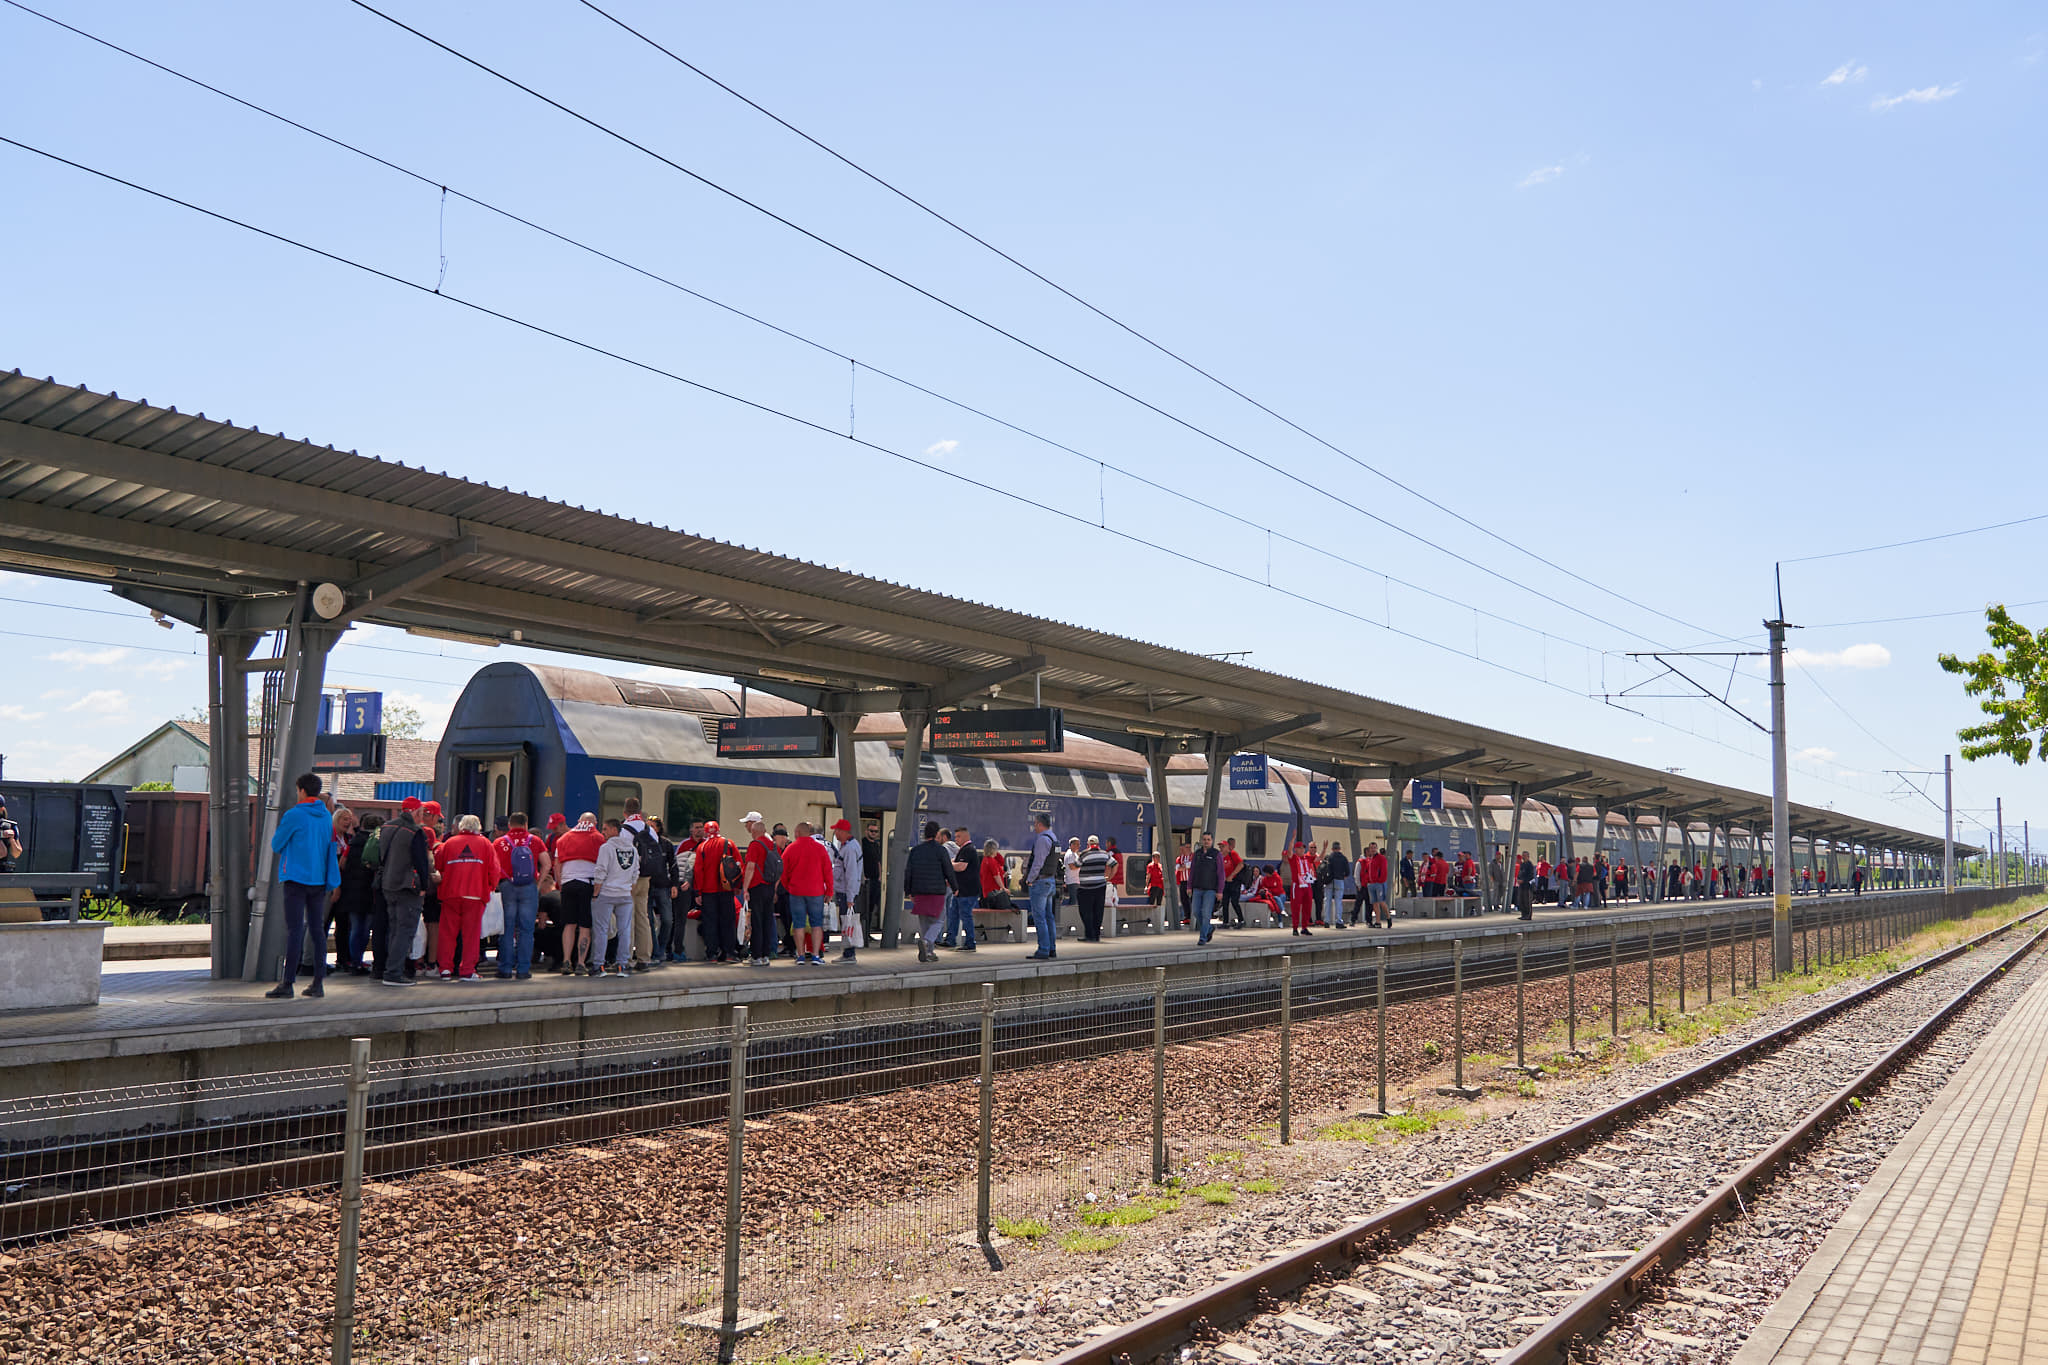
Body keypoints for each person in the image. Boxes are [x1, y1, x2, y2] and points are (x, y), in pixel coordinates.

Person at [265, 773, 341, 1000]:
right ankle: (318, 983)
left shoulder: (294, 815)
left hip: (296, 879)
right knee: (318, 931)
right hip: (319, 880)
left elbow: (277, 844)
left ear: (300, 790)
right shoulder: (327, 817)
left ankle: (287, 983)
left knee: (295, 930)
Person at [433, 815, 503, 983]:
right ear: (478, 827)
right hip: (475, 894)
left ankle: (445, 970)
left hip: (451, 894)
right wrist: (490, 887)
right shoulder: (486, 844)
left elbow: (438, 864)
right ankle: (467, 970)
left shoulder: (449, 843)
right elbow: (494, 870)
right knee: (471, 935)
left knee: (447, 933)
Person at [376, 802, 434, 988]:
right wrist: (424, 885)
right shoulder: (414, 832)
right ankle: (394, 972)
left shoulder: (386, 827)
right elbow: (421, 862)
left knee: (393, 929)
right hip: (407, 886)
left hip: (387, 884)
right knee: (405, 930)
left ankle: (386, 969)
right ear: (417, 812)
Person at [493, 813, 550, 980]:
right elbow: (546, 864)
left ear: (510, 825)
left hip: (507, 887)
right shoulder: (535, 841)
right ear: (525, 824)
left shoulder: (500, 842)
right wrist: (538, 885)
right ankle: (523, 970)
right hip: (529, 887)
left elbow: (493, 867)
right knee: (526, 930)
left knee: (506, 929)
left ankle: (505, 968)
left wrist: (497, 885)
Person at [588, 817, 638, 976]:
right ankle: (623, 965)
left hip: (607, 893)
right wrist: (629, 890)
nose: (603, 832)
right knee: (624, 930)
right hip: (625, 895)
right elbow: (636, 873)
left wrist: (595, 894)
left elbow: (600, 871)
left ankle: (598, 966)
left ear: (615, 830)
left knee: (601, 930)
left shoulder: (606, 848)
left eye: (605, 829)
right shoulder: (632, 849)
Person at [554, 813, 602, 975]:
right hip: (587, 884)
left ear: (579, 822)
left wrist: (561, 885)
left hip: (568, 884)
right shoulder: (598, 838)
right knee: (584, 925)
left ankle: (566, 961)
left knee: (569, 924)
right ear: (594, 823)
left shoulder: (564, 838)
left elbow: (557, 864)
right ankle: (581, 963)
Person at [782, 819, 833, 965]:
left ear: (797, 833)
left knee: (798, 924)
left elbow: (783, 872)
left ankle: (800, 956)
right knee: (816, 924)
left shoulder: (790, 848)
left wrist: (789, 886)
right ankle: (816, 956)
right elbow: (828, 871)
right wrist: (829, 890)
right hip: (816, 892)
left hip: (796, 892)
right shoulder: (820, 849)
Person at [620, 798, 662, 972]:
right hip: (646, 878)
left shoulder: (624, 830)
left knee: (627, 917)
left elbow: (623, 855)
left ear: (625, 812)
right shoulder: (649, 829)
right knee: (643, 916)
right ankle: (644, 958)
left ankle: (627, 959)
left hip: (629, 878)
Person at [694, 818, 742, 965]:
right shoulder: (729, 844)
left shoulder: (702, 847)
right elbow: (739, 865)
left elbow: (698, 871)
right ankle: (729, 953)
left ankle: (712, 953)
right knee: (728, 921)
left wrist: (698, 892)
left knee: (710, 922)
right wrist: (737, 886)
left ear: (706, 832)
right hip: (726, 889)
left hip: (708, 891)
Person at [905, 820, 954, 962]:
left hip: (919, 892)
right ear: (937, 834)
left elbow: (909, 872)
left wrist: (909, 891)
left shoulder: (915, 850)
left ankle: (929, 953)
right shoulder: (941, 850)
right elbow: (948, 871)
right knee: (939, 920)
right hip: (937, 892)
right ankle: (926, 942)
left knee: (924, 922)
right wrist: (955, 887)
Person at [343, 813, 384, 975]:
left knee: (355, 928)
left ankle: (355, 961)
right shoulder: (377, 843)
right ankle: (361, 962)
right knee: (366, 929)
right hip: (369, 891)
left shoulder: (352, 842)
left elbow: (343, 864)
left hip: (352, 891)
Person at [740, 812, 780, 968]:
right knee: (767, 920)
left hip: (757, 887)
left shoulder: (755, 845)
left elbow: (750, 868)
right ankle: (766, 955)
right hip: (770, 887)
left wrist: (745, 888)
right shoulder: (773, 845)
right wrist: (775, 888)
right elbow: (778, 869)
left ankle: (756, 956)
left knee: (756, 921)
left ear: (755, 831)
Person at [1023, 814, 1061, 960]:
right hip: (1050, 881)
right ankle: (1052, 948)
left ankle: (1043, 950)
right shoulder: (1054, 839)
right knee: (1049, 917)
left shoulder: (1042, 840)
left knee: (1039, 917)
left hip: (1040, 882)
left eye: (1035, 824)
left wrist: (1029, 879)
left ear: (1039, 824)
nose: (1034, 827)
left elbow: (1038, 862)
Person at [829, 819, 864, 964]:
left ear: (843, 832)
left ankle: (849, 953)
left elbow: (851, 874)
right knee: (847, 922)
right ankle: (848, 952)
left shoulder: (849, 849)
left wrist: (850, 897)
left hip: (846, 893)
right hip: (846, 891)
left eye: (836, 830)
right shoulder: (849, 846)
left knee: (847, 922)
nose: (835, 833)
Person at [942, 824, 979, 952]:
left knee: (965, 916)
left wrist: (949, 864)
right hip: (960, 890)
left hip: (967, 891)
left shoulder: (968, 850)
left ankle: (970, 943)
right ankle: (950, 940)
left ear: (965, 837)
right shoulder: (963, 850)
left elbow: (961, 867)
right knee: (953, 914)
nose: (955, 839)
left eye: (958, 836)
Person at [1187, 831, 1222, 945]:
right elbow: (1192, 871)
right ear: (1202, 841)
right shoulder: (1197, 854)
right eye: (1204, 839)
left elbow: (1221, 874)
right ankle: (1209, 929)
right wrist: (1189, 886)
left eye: (1208, 840)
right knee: (1196, 912)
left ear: (1212, 841)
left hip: (1210, 889)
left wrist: (1220, 891)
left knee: (1206, 913)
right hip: (1197, 888)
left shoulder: (1216, 854)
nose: (1206, 842)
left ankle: (1203, 938)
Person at [1075, 835, 1112, 941]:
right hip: (1100, 886)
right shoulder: (1104, 854)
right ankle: (1096, 935)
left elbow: (1076, 865)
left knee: (1086, 911)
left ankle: (1089, 935)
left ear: (1088, 844)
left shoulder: (1084, 854)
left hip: (1085, 888)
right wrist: (1108, 878)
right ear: (1098, 844)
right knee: (1098, 911)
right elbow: (1114, 864)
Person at [1287, 841, 1318, 936]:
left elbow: (1318, 858)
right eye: (1300, 848)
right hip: (1297, 885)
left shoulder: (1306, 858)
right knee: (1296, 906)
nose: (1302, 849)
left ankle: (1304, 927)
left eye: (1303, 848)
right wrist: (1292, 839)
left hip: (1307, 884)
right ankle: (1295, 927)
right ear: (1296, 849)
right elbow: (1289, 852)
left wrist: (1324, 849)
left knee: (1307, 906)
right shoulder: (1293, 858)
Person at [1363, 843, 1390, 928]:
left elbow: (1384, 871)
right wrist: (1368, 881)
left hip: (1379, 883)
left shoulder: (1381, 858)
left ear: (1377, 848)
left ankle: (1388, 917)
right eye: (1371, 848)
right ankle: (1378, 922)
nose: (1373, 849)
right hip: (1371, 884)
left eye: (1374, 848)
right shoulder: (1369, 859)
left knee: (1381, 902)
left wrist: (1380, 880)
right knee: (1374, 903)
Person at [1220, 837, 1245, 928]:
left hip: (1234, 882)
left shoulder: (1232, 854)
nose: (1221, 849)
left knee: (1234, 901)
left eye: (1223, 846)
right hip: (1225, 882)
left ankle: (1241, 919)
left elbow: (1240, 864)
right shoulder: (1220, 857)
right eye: (1220, 847)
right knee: (1225, 902)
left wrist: (1232, 875)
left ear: (1227, 847)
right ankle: (1225, 922)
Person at [0, 794, 21, 871]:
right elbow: (2, 852)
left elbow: (16, 853)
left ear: (1, 809)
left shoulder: (8, 826)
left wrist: (11, 839)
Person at [1516, 851, 1536, 920]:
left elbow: (1530, 875)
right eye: (1523, 856)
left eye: (1524, 856)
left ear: (1528, 856)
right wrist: (1518, 879)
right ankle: (1523, 914)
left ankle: (1528, 915)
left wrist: (1523, 880)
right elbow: (1520, 873)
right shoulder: (1522, 864)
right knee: (1521, 900)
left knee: (1527, 901)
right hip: (1521, 886)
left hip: (1527, 886)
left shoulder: (1530, 865)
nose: (1523, 857)